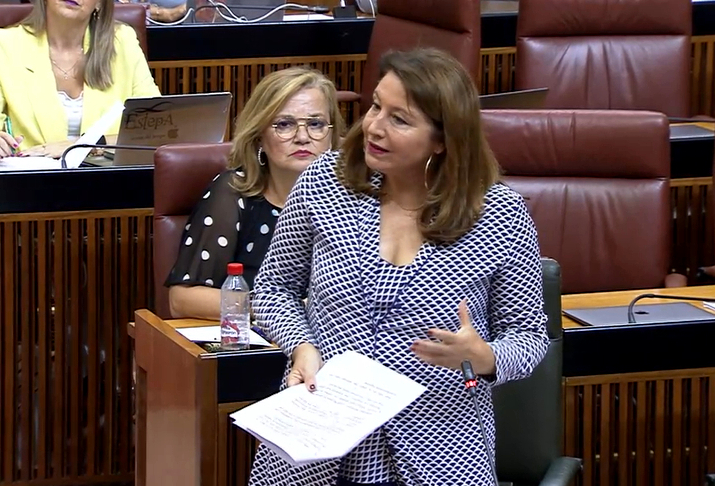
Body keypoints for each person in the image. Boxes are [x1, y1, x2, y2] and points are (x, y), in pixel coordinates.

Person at [250, 48, 550, 486]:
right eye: (376, 106)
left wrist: (484, 357)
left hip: (442, 451)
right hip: (314, 444)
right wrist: (301, 346)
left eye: (400, 119)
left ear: (443, 140)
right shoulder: (322, 183)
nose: (373, 126)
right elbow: (274, 289)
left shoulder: (498, 215)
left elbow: (528, 336)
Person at [165, 67, 344, 320]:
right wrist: (279, 310)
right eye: (285, 124)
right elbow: (183, 300)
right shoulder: (234, 193)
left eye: (316, 124)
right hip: (260, 342)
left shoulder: (355, 198)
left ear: (332, 133)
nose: (303, 137)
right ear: (259, 135)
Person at [0, 0, 160, 161]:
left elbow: (157, 130)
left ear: (100, 3)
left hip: (111, 184)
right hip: (32, 188)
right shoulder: (5, 45)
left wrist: (86, 146)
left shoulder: (122, 42)